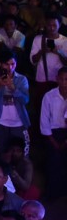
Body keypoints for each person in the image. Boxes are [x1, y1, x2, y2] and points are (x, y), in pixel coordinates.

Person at [0, 51, 30, 150]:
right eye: (6, 64)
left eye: (13, 64)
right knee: (0, 152)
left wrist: (13, 88)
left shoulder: (22, 79)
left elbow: (25, 100)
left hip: (19, 123)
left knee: (20, 154)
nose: (10, 68)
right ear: (0, 64)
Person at [39, 67, 67, 200]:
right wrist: (54, 141)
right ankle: (52, 193)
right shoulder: (49, 96)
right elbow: (44, 121)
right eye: (61, 79)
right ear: (57, 79)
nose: (64, 82)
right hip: (53, 134)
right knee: (53, 163)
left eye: (66, 79)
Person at [30, 18, 67, 103]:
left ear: (59, 25)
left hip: (61, 80)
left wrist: (58, 53)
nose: (52, 28)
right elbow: (33, 60)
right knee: (41, 103)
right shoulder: (38, 39)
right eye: (49, 25)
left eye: (54, 25)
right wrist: (42, 51)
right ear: (45, 25)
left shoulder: (65, 41)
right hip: (42, 78)